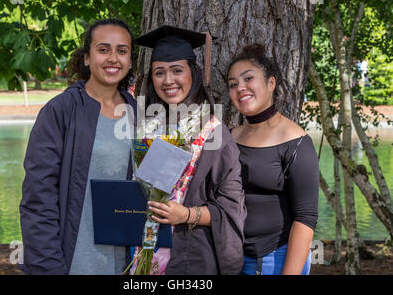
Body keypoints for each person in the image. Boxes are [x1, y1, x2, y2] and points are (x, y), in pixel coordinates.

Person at [19, 18, 137, 275]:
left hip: (125, 264)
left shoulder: (140, 115)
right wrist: (49, 268)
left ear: (130, 59)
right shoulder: (61, 111)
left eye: (122, 51)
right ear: (86, 57)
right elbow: (38, 199)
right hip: (72, 262)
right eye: (103, 49)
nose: (113, 58)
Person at [133, 25, 246, 275]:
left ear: (193, 72)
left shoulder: (214, 134)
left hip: (191, 260)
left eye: (177, 70)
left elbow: (231, 209)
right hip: (145, 255)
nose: (168, 80)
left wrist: (184, 214)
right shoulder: (146, 128)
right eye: (159, 72)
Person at [226, 44, 319, 275]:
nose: (241, 88)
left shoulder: (296, 140)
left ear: (271, 83)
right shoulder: (231, 137)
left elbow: (305, 218)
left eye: (248, 78)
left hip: (275, 259)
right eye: (233, 84)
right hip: (231, 256)